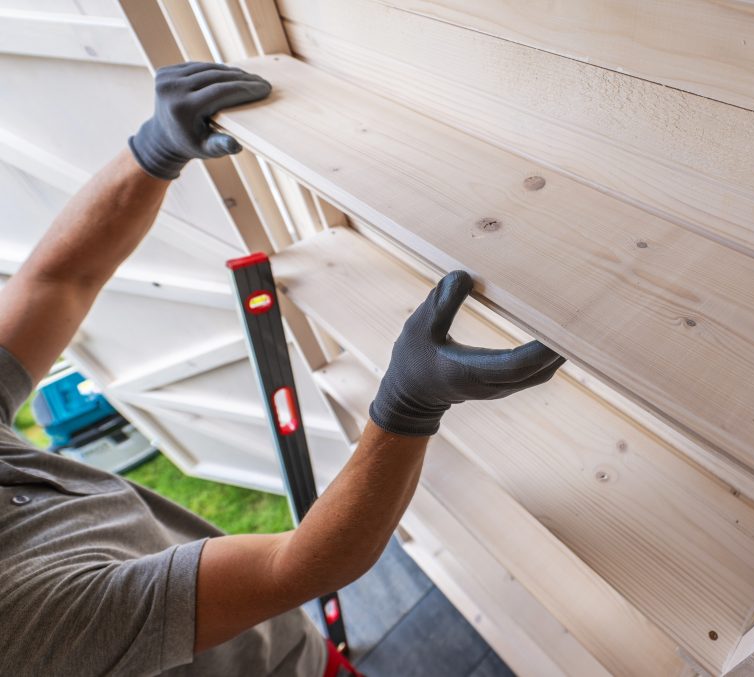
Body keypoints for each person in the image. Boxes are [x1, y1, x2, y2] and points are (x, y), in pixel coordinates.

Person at [0, 62, 564, 676]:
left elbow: (56, 281)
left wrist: (151, 151)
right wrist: (408, 406)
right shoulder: (25, 631)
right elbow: (295, 567)